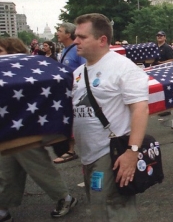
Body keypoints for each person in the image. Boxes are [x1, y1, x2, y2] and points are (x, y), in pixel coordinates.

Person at [72, 13, 149, 221]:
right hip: (88, 154)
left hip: (110, 153)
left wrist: (132, 152)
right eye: (75, 36)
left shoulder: (123, 67)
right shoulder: (79, 72)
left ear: (102, 40)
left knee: (113, 209)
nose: (75, 41)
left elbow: (140, 109)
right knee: (99, 208)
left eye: (82, 36)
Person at [0, 37, 78, 221]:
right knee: (6, 169)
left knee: (38, 166)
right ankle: (3, 206)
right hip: (7, 129)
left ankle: (64, 197)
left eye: (1, 51)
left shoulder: (28, 74)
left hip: (28, 128)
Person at [53, 22, 86, 164]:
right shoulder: (64, 50)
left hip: (78, 91)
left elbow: (84, 69)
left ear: (68, 34)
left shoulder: (77, 50)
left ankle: (74, 150)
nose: (57, 33)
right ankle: (70, 150)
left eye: (60, 31)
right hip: (67, 92)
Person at [155, 30, 173, 116]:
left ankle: (167, 109)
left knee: (165, 90)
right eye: (158, 36)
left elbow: (172, 60)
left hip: (165, 71)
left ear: (165, 38)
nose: (159, 37)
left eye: (161, 36)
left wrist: (161, 63)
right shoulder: (154, 47)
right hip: (155, 71)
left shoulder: (167, 48)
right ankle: (160, 108)